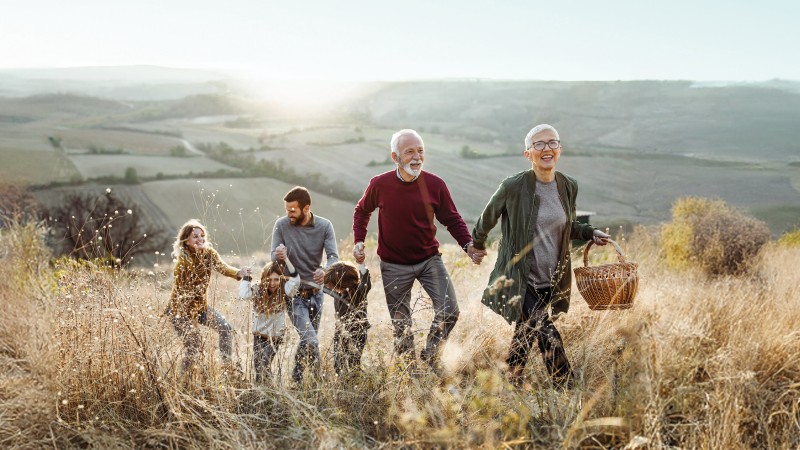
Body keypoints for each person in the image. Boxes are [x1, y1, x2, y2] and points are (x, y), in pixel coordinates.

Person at [471, 124, 610, 388]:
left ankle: (511, 380)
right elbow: (486, 218)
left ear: (560, 149)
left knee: (526, 330)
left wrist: (590, 232)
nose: (547, 148)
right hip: (520, 277)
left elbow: (567, 226)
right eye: (539, 144)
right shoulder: (513, 186)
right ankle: (566, 387)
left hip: (551, 278)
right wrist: (477, 244)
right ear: (528, 154)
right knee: (546, 331)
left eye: (552, 142)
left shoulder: (568, 186)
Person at [353, 129, 483, 374]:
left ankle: (431, 354)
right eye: (409, 152)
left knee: (449, 311)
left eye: (420, 151)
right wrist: (359, 240)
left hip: (429, 260)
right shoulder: (380, 184)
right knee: (401, 326)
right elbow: (362, 211)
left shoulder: (435, 184)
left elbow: (452, 219)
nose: (417, 157)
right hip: (393, 265)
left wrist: (468, 245)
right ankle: (409, 374)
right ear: (395, 157)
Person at [271, 186, 339, 383]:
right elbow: (272, 257)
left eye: (293, 210)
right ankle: (320, 383)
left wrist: (325, 270)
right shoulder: (281, 225)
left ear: (306, 208)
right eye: (287, 210)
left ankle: (297, 380)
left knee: (307, 340)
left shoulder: (325, 226)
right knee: (311, 340)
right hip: (293, 294)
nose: (289, 214)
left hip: (317, 293)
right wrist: (279, 256)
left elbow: (333, 257)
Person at [166, 219, 250, 374]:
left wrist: (239, 272)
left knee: (225, 328)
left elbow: (223, 267)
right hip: (180, 310)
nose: (200, 239)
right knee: (194, 346)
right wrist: (191, 319)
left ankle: (227, 369)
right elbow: (184, 291)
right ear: (186, 241)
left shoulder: (209, 253)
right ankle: (183, 380)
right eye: (195, 236)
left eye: (202, 235)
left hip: (200, 307)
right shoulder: (183, 262)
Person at [239, 261, 288, 382]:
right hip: (259, 334)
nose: (272, 283)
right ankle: (262, 388)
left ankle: (268, 387)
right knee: (258, 366)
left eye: (276, 279)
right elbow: (244, 295)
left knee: (264, 363)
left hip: (275, 336)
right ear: (264, 278)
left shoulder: (283, 291)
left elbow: (295, 283)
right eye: (269, 279)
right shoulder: (257, 289)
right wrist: (246, 278)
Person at [323, 261, 372, 376]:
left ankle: (356, 380)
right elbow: (323, 286)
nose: (334, 289)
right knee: (338, 364)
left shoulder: (359, 292)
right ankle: (343, 381)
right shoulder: (337, 291)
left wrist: (362, 264)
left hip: (357, 333)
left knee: (353, 362)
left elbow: (366, 282)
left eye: (335, 286)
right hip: (340, 332)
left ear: (345, 283)